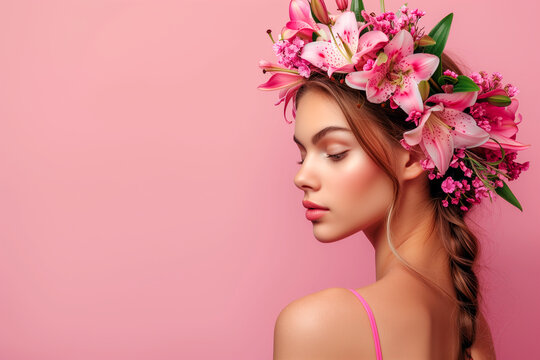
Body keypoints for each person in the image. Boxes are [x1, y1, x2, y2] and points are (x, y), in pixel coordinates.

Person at [258, 1, 530, 359]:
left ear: (417, 155)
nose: (301, 177)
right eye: (302, 154)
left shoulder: (316, 325)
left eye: (335, 152)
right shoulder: (468, 325)